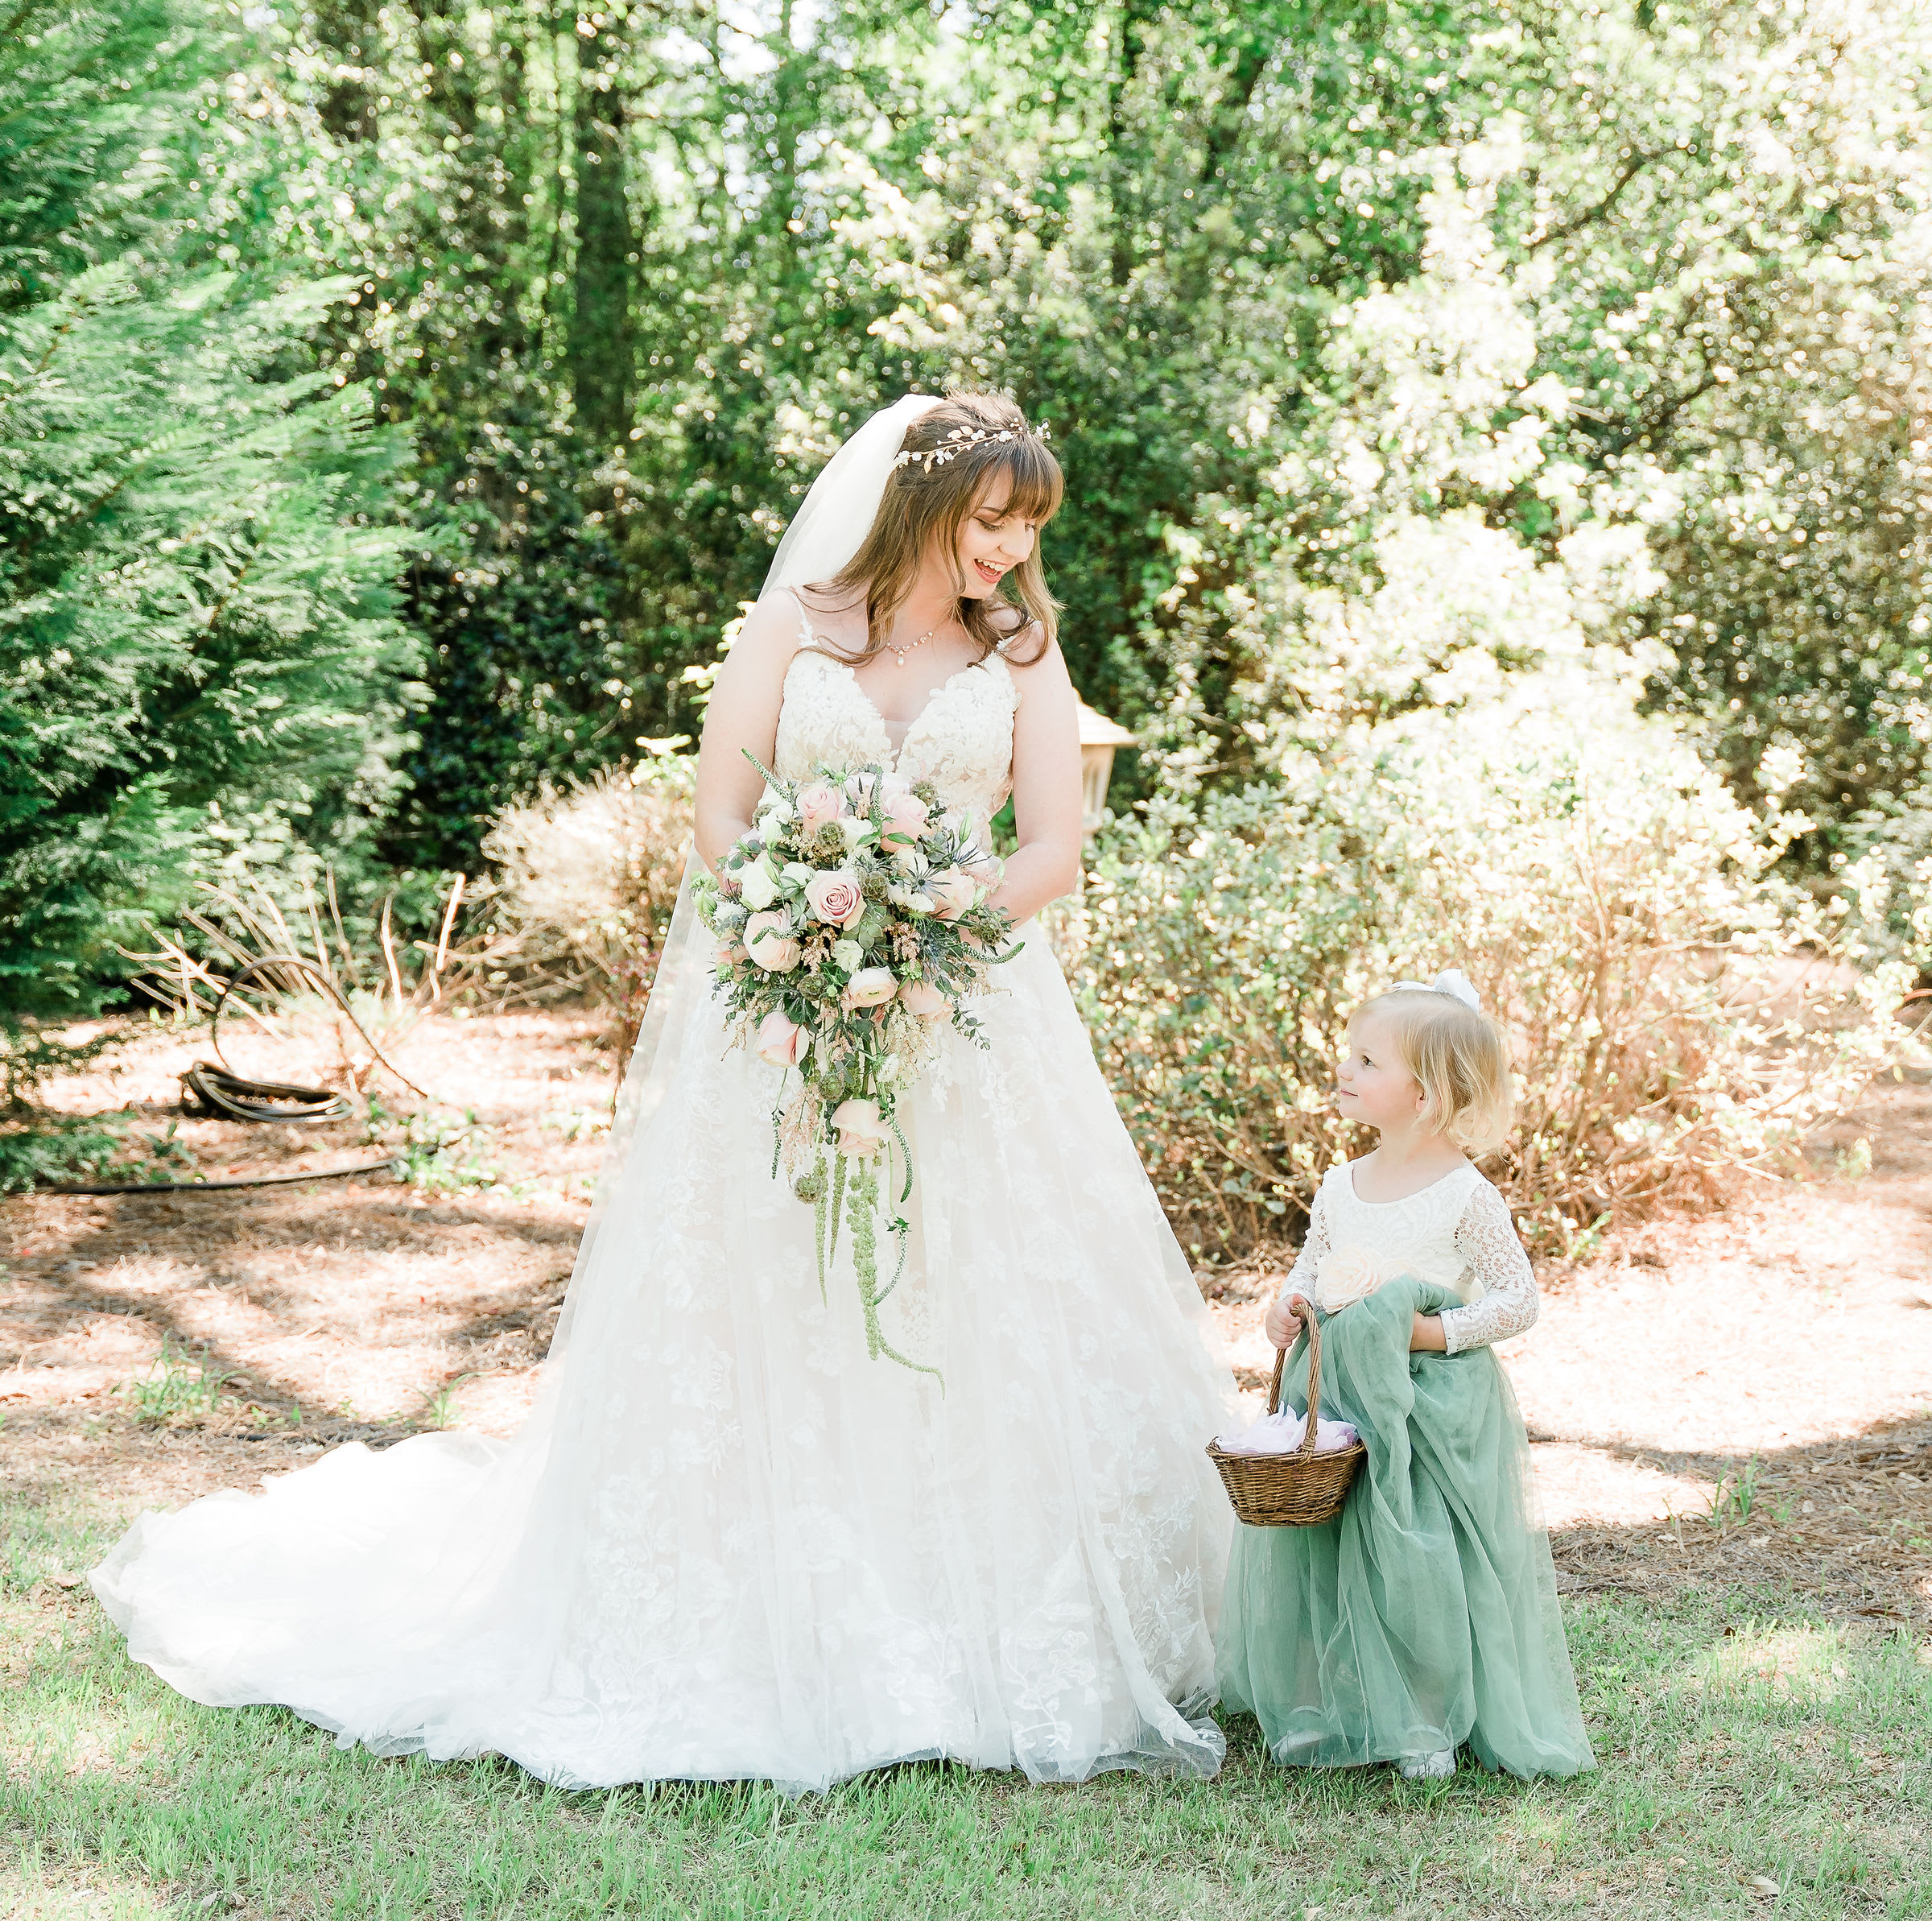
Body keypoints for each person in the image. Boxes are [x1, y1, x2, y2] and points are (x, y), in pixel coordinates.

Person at [93, 391, 1235, 1792]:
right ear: (926, 501)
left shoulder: (1022, 652)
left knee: (964, 1285)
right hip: (787, 1012)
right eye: (995, 521)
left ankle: (967, 1621)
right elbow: (721, 814)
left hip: (966, 1018)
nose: (1011, 552)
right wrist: (801, 925)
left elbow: (1052, 847)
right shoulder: (794, 623)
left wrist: (920, 934)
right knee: (772, 1288)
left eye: (1028, 529)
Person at [1215, 975, 1595, 1781]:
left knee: (1416, 1560)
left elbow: (1517, 1300)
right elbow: (1314, 1267)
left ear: (1424, 1095)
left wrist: (1432, 1332)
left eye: (1366, 1060)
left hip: (1427, 1404)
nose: (1344, 1069)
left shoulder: (1466, 1196)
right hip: (1336, 1395)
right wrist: (1287, 1307)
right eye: (1350, 1055)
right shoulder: (1340, 1184)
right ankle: (1332, 1703)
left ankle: (1427, 1716)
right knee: (1326, 1551)